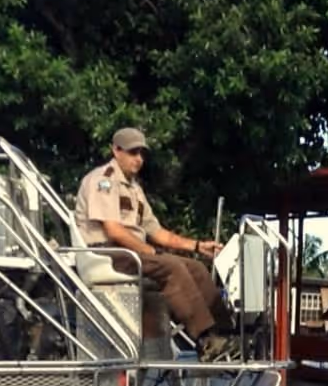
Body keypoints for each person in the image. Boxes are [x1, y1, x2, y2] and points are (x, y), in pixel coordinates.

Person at [74, 127, 234, 358]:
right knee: (170, 267)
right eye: (132, 152)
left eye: (141, 153)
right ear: (116, 150)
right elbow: (114, 230)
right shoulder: (103, 181)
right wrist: (149, 250)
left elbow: (158, 232)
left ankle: (227, 334)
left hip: (131, 252)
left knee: (197, 268)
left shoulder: (135, 189)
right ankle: (206, 341)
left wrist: (198, 246)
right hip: (107, 253)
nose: (138, 159)